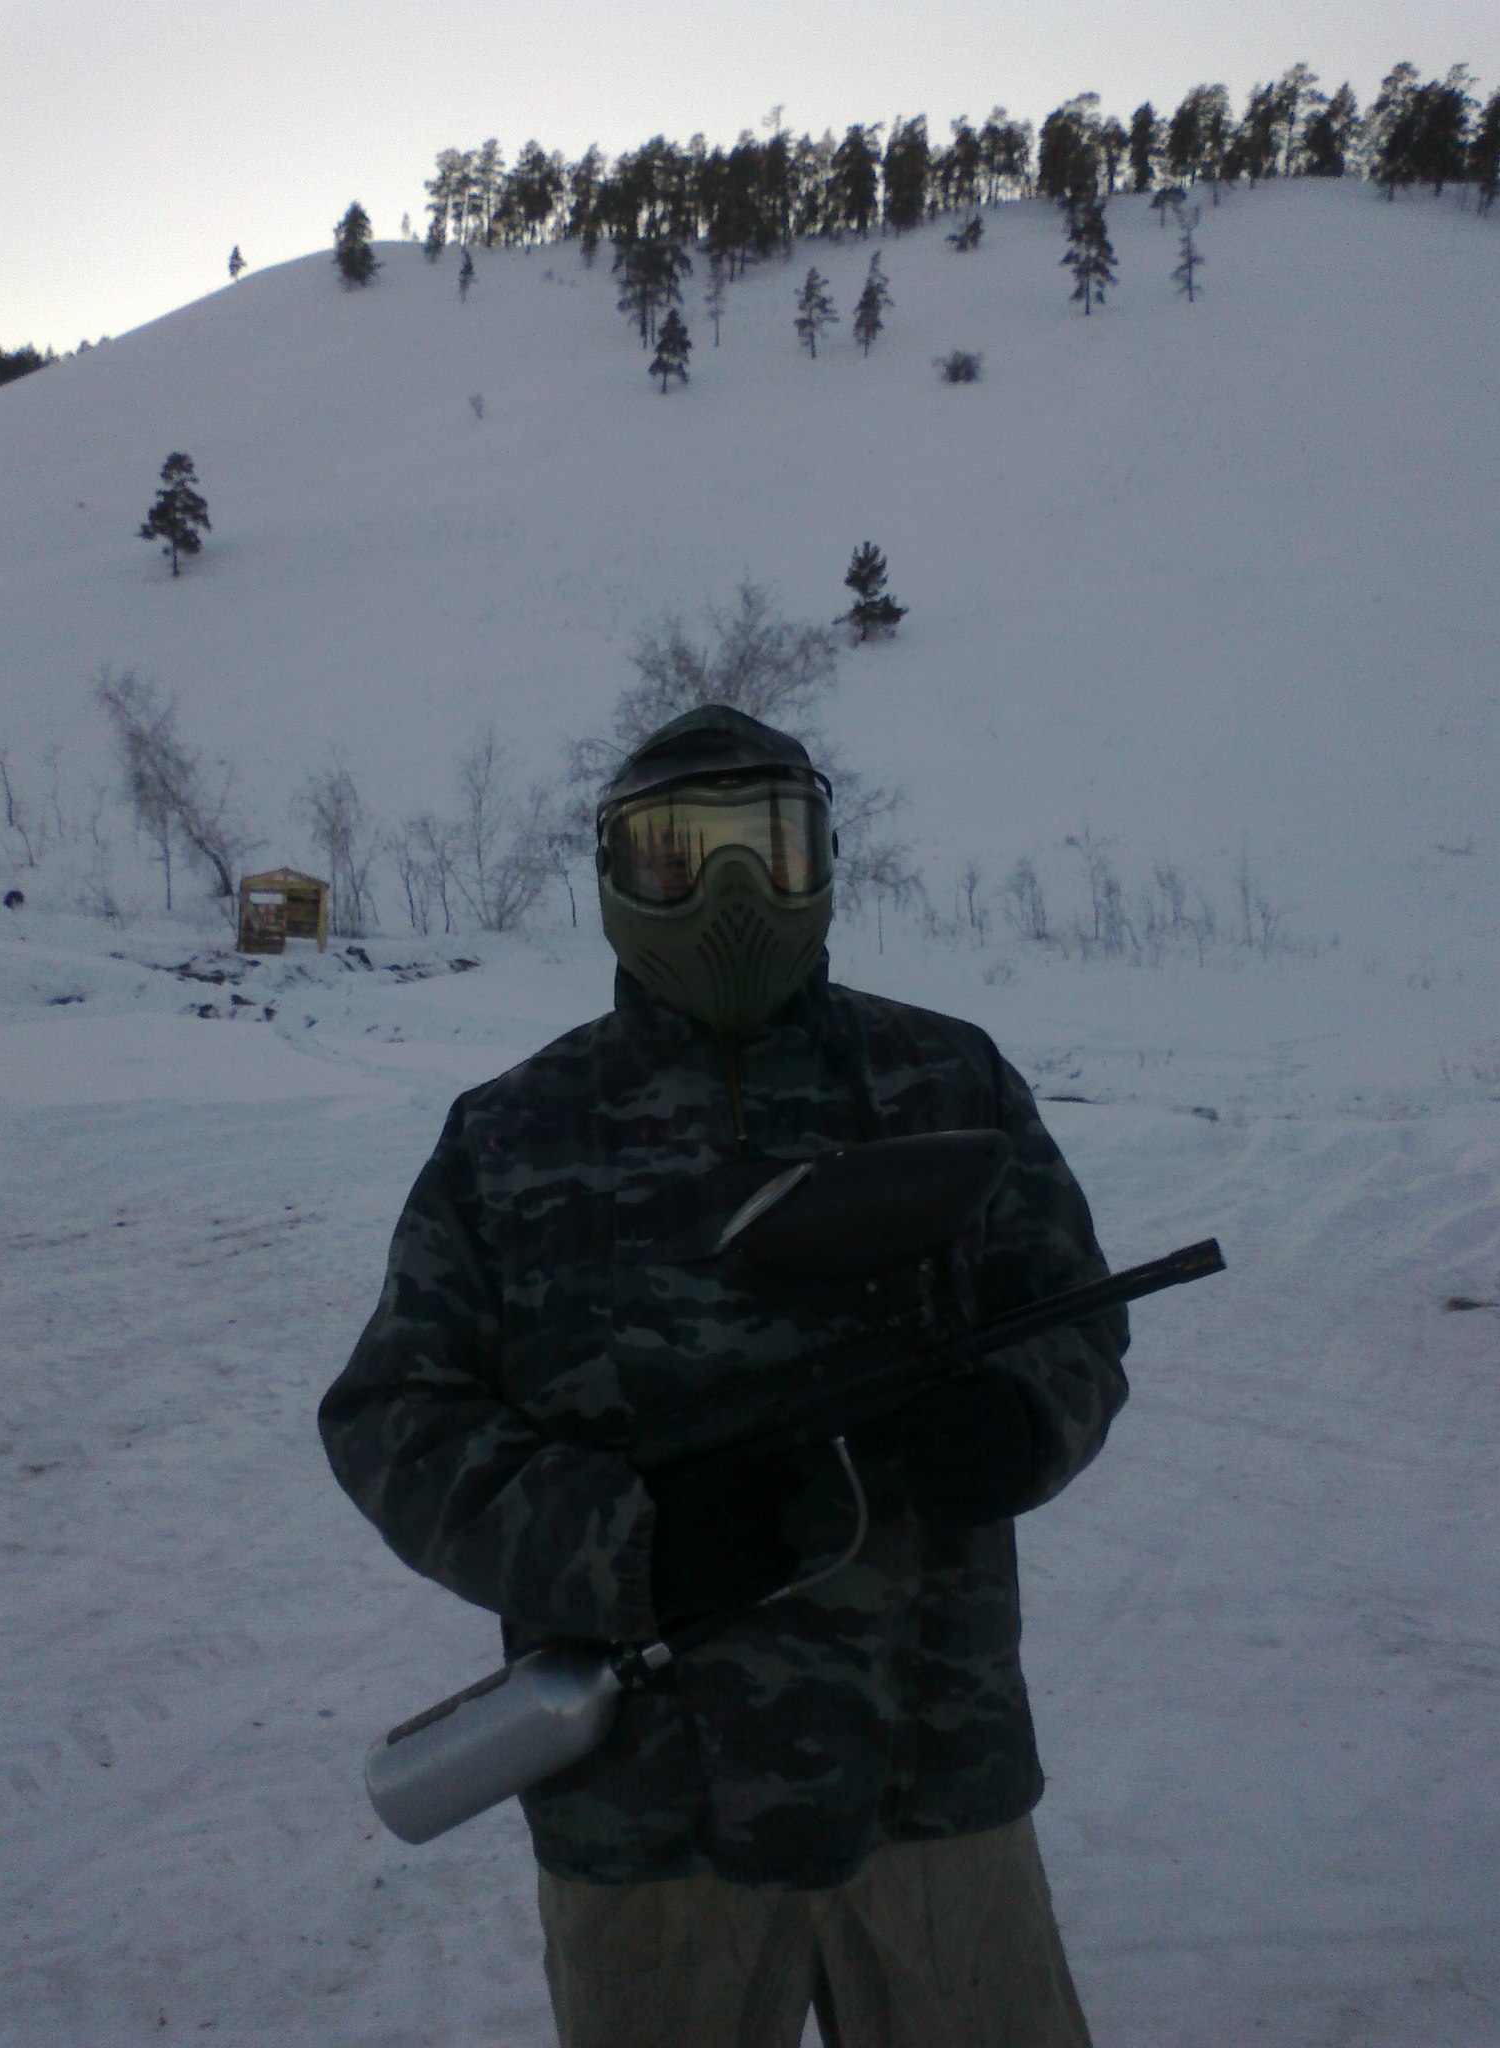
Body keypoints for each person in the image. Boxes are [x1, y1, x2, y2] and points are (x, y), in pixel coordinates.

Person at [319, 704, 1129, 2048]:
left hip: (935, 1774)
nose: (732, 894)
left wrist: (1027, 1417)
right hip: (646, 1814)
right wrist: (624, 1543)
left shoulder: (947, 1081)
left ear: (825, 861)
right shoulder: (514, 1137)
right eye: (678, 854)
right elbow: (392, 1422)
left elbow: (1075, 1318)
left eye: (772, 845)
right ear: (612, 876)